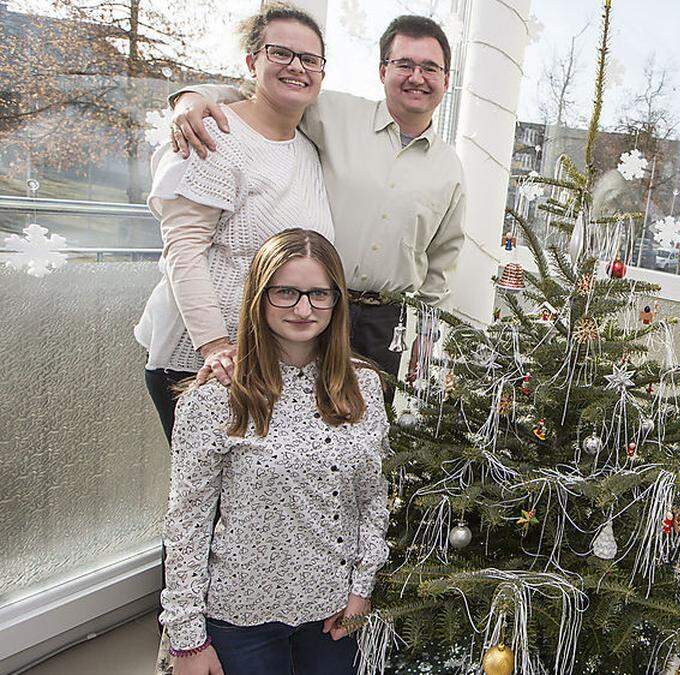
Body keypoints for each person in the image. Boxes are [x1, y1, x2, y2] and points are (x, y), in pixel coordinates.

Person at [166, 15, 466, 392]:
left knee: (364, 431)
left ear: (446, 79)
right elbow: (270, 91)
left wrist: (426, 335)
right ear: (382, 70)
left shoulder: (450, 168)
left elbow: (442, 261)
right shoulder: (333, 113)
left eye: (430, 68)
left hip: (386, 324)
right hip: (312, 311)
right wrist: (191, 97)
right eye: (404, 64)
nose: (416, 77)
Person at [160, 229, 389, 675]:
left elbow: (372, 498)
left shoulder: (363, 387)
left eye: (319, 294)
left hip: (332, 613)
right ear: (259, 297)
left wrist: (362, 587)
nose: (304, 309)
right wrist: (188, 639)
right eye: (286, 293)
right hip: (240, 618)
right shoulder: (216, 395)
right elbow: (186, 520)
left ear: (337, 301)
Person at [135, 2, 334, 441]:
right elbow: (183, 251)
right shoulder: (214, 135)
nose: (296, 66)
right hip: (201, 361)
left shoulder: (307, 150)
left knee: (248, 503)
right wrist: (214, 346)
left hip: (263, 360)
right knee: (204, 502)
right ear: (252, 61)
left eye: (310, 59)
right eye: (280, 53)